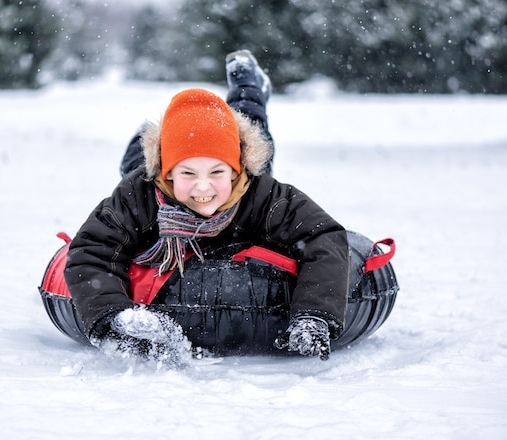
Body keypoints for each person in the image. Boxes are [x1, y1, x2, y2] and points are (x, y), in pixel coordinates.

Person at [63, 50, 350, 366]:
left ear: (236, 170)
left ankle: (251, 85)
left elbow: (325, 237)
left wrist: (314, 313)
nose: (203, 188)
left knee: (253, 127)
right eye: (187, 173)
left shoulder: (259, 192)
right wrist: (113, 316)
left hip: (241, 153)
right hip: (154, 165)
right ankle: (146, 136)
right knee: (134, 161)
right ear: (168, 173)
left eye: (216, 173)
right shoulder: (140, 193)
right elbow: (91, 252)